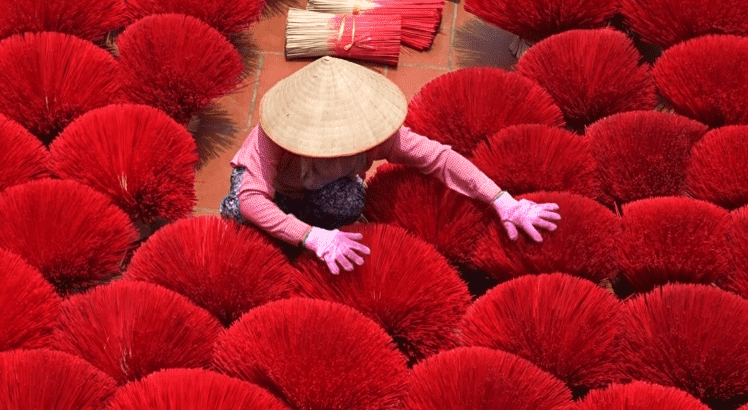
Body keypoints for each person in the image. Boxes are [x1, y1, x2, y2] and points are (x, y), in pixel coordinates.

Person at [219, 56, 561, 274]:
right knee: (237, 213)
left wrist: (501, 200)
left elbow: (440, 159)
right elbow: (251, 200)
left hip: (316, 194)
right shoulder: (272, 132)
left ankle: (307, 224)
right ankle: (299, 227)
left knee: (350, 203)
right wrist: (308, 237)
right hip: (272, 191)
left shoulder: (375, 134)